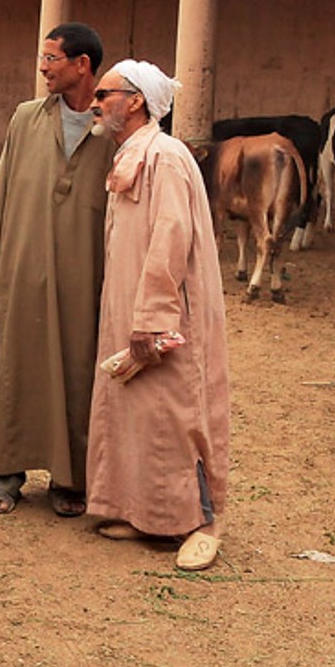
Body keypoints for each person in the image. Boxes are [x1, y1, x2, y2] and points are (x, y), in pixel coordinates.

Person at [85, 59, 230, 572]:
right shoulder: (133, 154)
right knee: (143, 413)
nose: (96, 102)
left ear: (137, 101)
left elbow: (171, 241)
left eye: (106, 94)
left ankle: (203, 523)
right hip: (131, 308)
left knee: (180, 415)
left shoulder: (165, 158)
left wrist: (151, 318)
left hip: (166, 315)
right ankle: (152, 515)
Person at [0, 22, 109, 518]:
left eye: (52, 58)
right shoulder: (26, 119)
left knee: (78, 369)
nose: (43, 67)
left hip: (86, 272)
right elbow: (3, 188)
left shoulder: (113, 131)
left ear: (82, 65)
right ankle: (5, 472)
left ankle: (69, 479)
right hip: (25, 263)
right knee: (18, 366)